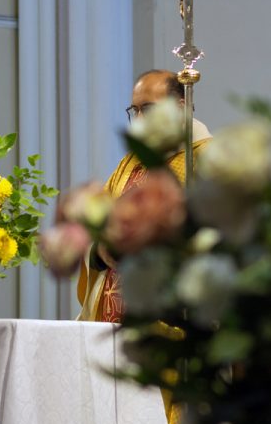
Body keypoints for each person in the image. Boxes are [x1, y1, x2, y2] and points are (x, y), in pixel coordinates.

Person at [77, 69, 212, 322]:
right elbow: (95, 224)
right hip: (111, 319)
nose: (139, 119)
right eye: (134, 110)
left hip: (170, 318)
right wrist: (100, 250)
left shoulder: (206, 159)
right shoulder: (130, 163)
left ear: (181, 106)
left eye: (147, 109)